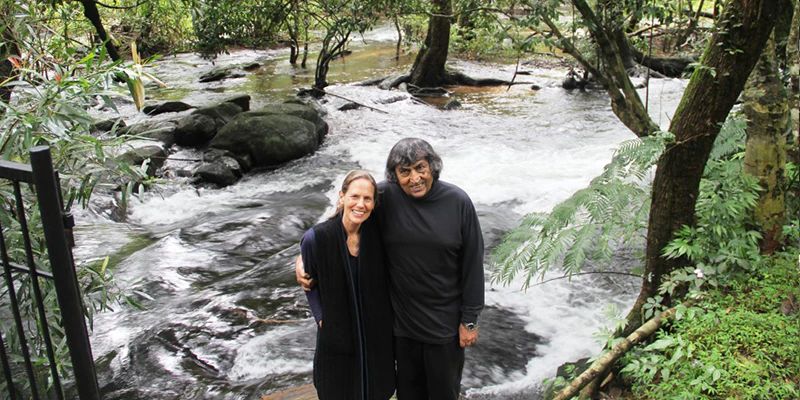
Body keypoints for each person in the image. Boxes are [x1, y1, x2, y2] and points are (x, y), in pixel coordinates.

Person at [298, 138, 485, 400]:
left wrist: (470, 319)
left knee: (444, 393)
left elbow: (473, 264)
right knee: (408, 394)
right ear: (395, 175)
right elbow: (348, 212)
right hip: (400, 328)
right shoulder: (386, 197)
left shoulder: (458, 202)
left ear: (432, 166)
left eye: (421, 168)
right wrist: (305, 253)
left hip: (444, 328)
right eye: (404, 171)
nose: (415, 178)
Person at [299, 170, 395, 400]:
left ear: (374, 203)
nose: (360, 204)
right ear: (341, 197)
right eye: (354, 196)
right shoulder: (317, 238)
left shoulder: (378, 234)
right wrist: (322, 317)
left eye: (367, 199)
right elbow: (309, 282)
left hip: (375, 335)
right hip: (336, 337)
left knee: (376, 390)